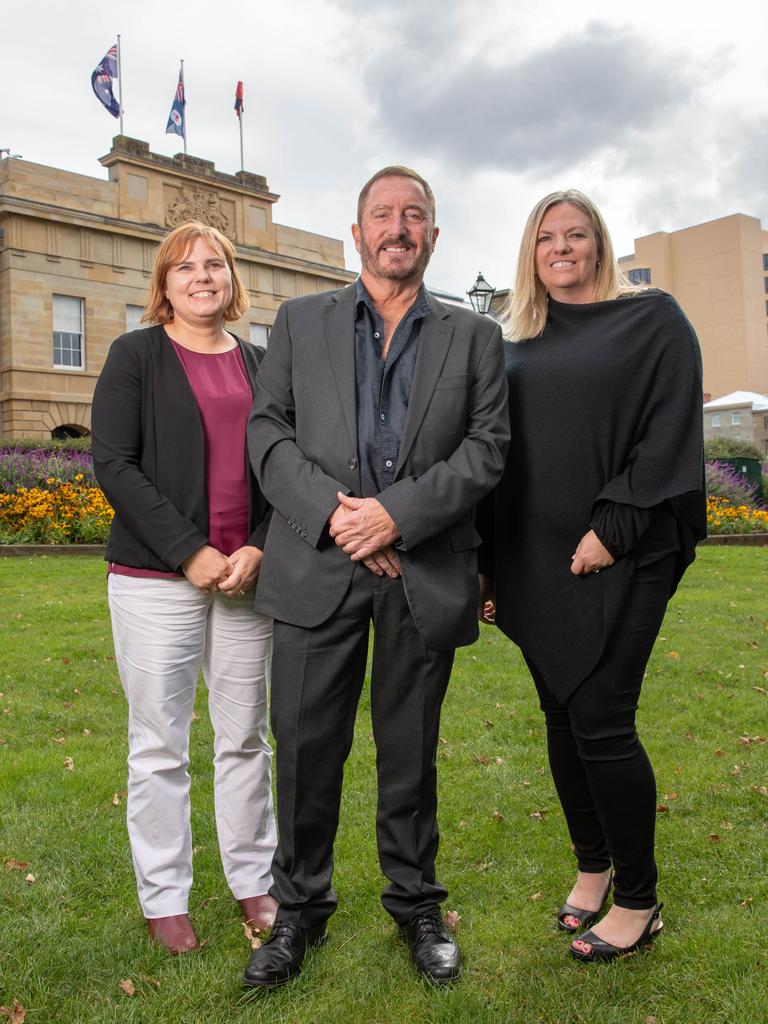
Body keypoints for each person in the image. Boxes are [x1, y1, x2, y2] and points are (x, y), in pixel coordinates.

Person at [243, 166, 510, 987]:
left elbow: (487, 448)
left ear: (433, 234)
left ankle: (417, 904)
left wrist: (396, 515)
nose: (399, 227)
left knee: (410, 751)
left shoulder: (475, 337)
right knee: (307, 746)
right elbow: (268, 433)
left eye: (415, 216)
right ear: (357, 232)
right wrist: (339, 514)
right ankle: (299, 913)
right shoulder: (299, 320)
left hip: (421, 571)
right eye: (383, 215)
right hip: (315, 565)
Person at [477, 189, 706, 962]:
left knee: (603, 719)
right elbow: (496, 462)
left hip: (624, 550)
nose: (562, 248)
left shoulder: (653, 321)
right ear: (531, 252)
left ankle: (639, 903)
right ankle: (593, 866)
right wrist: (486, 566)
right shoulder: (512, 343)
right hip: (533, 563)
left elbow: (668, 427)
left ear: (599, 243)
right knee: (561, 720)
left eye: (576, 235)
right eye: (547, 238)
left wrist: (614, 527)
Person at [92, 221, 278, 954]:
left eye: (216, 265)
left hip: (247, 580)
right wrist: (189, 552)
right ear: (164, 285)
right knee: (161, 744)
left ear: (232, 279)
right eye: (186, 267)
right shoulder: (136, 356)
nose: (203, 276)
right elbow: (115, 464)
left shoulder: (263, 364)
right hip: (154, 579)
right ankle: (165, 896)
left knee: (244, 739)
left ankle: (253, 881)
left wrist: (259, 544)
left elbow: (280, 465)